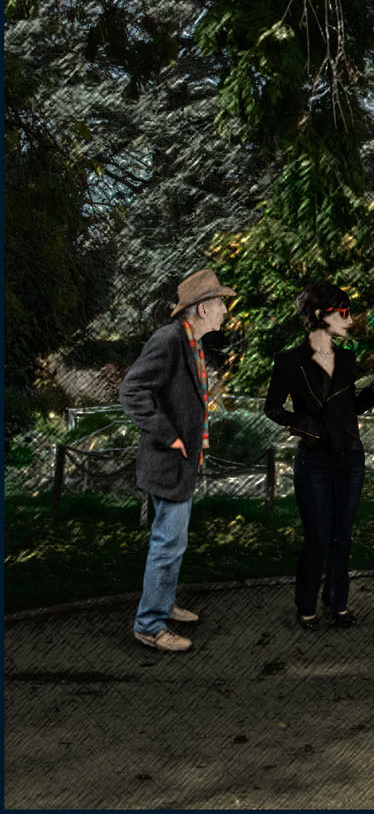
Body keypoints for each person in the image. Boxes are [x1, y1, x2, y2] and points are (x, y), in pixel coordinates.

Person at [119, 267, 239, 653]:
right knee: (167, 543)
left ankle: (164, 604)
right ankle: (149, 625)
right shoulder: (169, 339)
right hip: (167, 462)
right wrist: (169, 435)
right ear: (202, 309)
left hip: (180, 465)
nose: (225, 310)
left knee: (174, 542)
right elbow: (132, 391)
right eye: (220, 303)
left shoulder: (192, 343)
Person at [264, 281, 374, 630]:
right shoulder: (289, 361)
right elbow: (272, 407)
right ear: (320, 315)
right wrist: (302, 424)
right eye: (343, 312)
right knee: (317, 537)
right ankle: (306, 607)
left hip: (350, 457)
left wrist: (373, 391)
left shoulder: (347, 359)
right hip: (314, 461)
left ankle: (338, 602)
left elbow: (350, 407)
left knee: (342, 536)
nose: (349, 319)